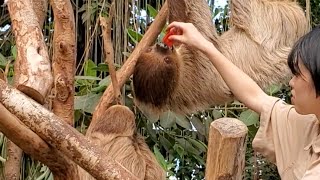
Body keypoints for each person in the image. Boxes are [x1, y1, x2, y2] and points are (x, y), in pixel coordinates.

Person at [167, 22, 320, 179]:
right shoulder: (307, 124)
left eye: (297, 75)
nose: (291, 82)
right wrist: (204, 45)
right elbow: (254, 96)